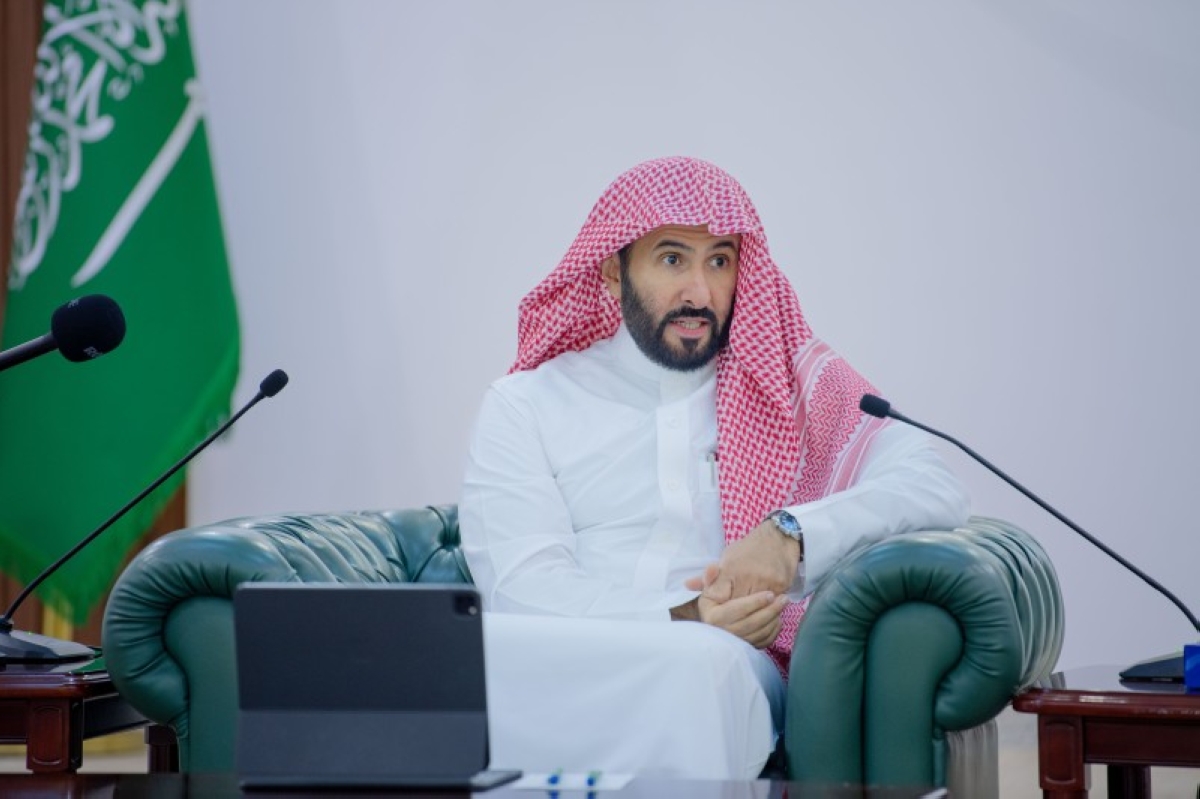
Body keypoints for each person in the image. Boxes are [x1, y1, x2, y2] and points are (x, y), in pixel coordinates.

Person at [459, 156, 969, 778]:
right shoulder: (526, 403)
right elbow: (520, 590)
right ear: (613, 273)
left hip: (722, 657)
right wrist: (682, 614)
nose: (699, 293)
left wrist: (791, 534)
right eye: (673, 259)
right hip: (567, 652)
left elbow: (932, 484)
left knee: (695, 667)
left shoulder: (789, 388)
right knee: (478, 658)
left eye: (720, 261)